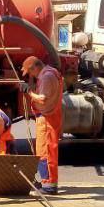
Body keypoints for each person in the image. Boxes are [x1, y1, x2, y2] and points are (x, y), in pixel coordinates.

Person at [22, 56, 63, 194]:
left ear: (35, 67)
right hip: (50, 116)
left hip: (47, 119)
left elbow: (43, 99)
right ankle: (47, 182)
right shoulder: (51, 72)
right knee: (47, 150)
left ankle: (49, 185)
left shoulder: (46, 77)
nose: (30, 75)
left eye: (30, 72)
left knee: (45, 152)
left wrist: (29, 92)